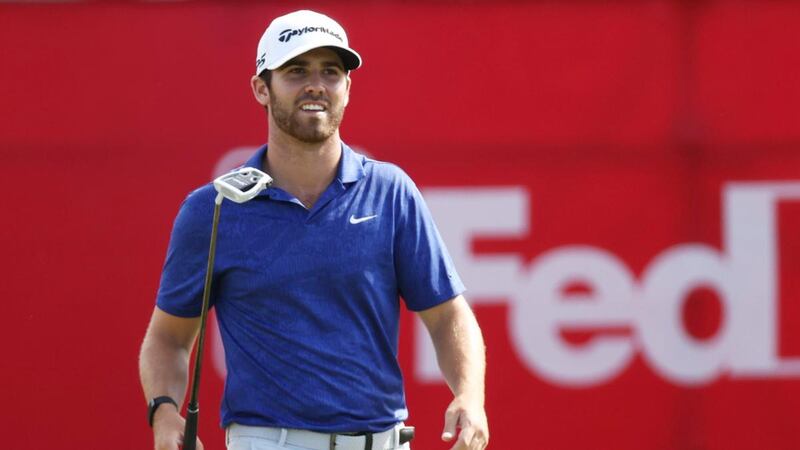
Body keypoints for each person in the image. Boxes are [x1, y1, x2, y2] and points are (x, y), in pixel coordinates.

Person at [139, 9, 489, 450]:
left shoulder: (390, 192)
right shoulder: (215, 208)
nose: (316, 85)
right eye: (296, 71)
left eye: (331, 71)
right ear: (261, 88)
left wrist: (470, 394)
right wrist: (164, 412)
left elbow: (448, 316)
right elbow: (168, 337)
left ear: (348, 88)